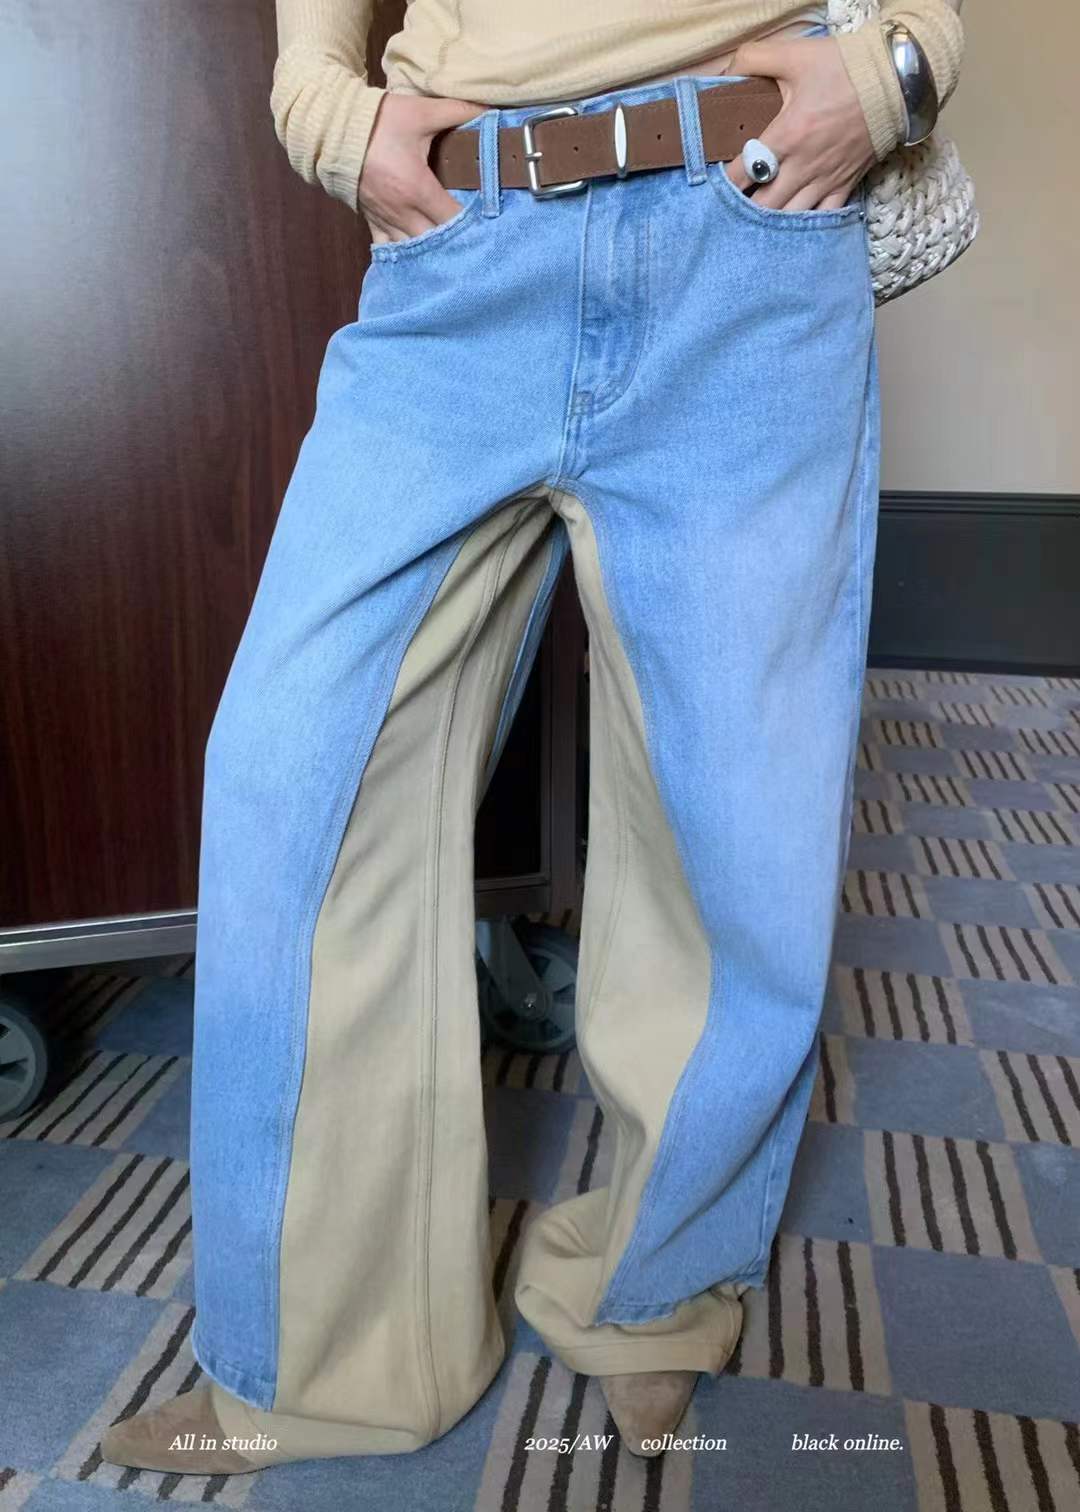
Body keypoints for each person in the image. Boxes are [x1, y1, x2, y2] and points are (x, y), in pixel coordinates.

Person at [103, 0, 965, 1475]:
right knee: (291, 774)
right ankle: (329, 1362)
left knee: (735, 818)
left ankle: (653, 1294)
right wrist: (325, 111)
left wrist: (903, 66)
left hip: (747, 227)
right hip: (466, 239)